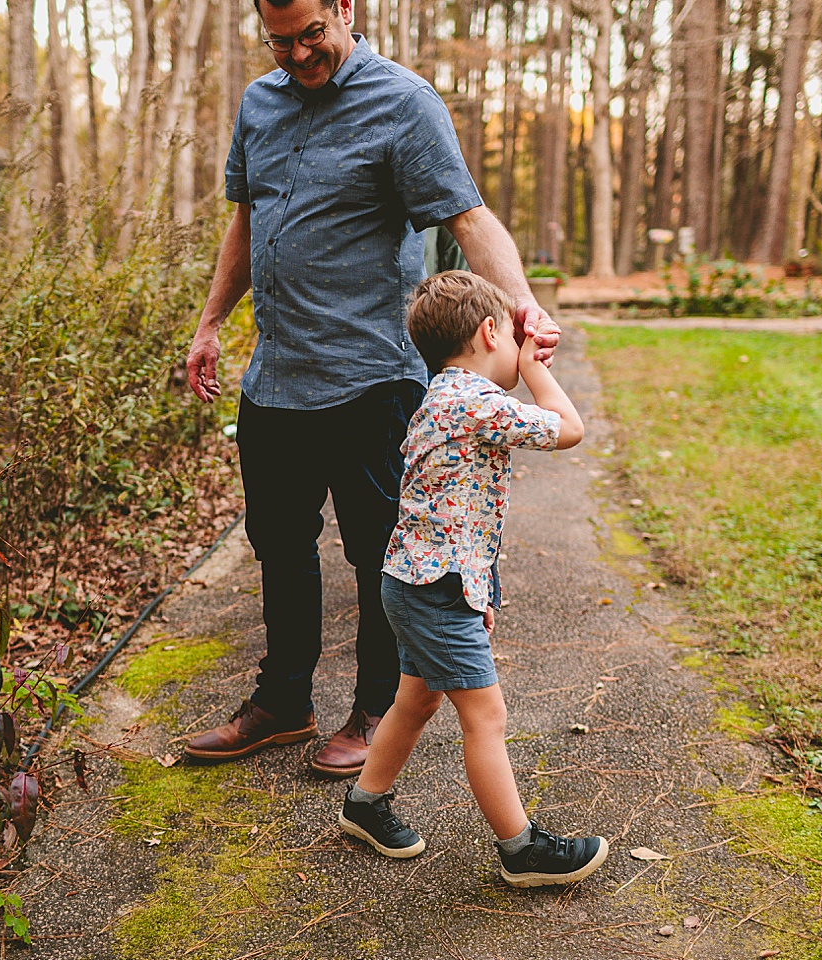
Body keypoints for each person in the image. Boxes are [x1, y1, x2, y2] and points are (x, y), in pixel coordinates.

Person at [183, 0, 560, 778]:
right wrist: (211, 321)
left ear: (345, 11)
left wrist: (524, 308)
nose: (296, 54)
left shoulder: (403, 102)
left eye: (311, 35)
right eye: (279, 40)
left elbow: (469, 217)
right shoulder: (260, 103)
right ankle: (283, 702)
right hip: (277, 377)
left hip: (373, 379)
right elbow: (246, 223)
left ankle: (376, 706)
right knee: (280, 546)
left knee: (381, 555)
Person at [336, 271, 609, 888]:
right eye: (512, 336)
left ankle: (365, 803)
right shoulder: (472, 402)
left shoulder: (444, 395)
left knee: (417, 697)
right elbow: (568, 428)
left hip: (419, 581)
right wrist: (537, 365)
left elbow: (455, 516)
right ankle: (521, 849)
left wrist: (475, 594)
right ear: (490, 332)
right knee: (485, 716)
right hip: (433, 589)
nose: (520, 349)